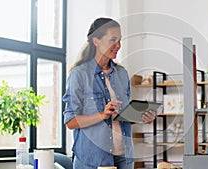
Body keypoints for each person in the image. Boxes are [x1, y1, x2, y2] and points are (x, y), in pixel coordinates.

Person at [63, 17, 156, 169]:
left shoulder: (121, 73)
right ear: (96, 41)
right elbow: (71, 121)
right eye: (113, 40)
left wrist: (141, 117)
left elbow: (121, 116)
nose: (118, 45)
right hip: (92, 160)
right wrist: (102, 114)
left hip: (124, 157)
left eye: (120, 40)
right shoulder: (79, 74)